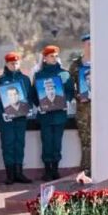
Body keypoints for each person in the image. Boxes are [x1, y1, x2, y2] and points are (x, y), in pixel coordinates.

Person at [0, 52, 33, 185]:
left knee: (19, 144)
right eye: (11, 63)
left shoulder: (25, 79)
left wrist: (29, 108)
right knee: (8, 144)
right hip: (6, 119)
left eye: (16, 63)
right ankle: (10, 175)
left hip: (20, 118)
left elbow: (30, 96)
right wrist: (2, 112)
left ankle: (19, 172)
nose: (14, 65)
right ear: (6, 64)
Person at [32, 46, 74, 181]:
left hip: (59, 115)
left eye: (56, 56)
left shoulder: (64, 74)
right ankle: (47, 169)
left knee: (57, 142)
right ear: (45, 58)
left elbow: (70, 91)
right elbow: (34, 94)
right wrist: (39, 105)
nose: (54, 58)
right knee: (47, 142)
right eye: (51, 56)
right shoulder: (39, 75)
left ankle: (55, 168)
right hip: (45, 116)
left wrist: (66, 101)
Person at [68, 34, 92, 174]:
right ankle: (86, 168)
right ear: (83, 45)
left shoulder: (102, 63)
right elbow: (70, 86)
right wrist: (78, 95)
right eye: (89, 44)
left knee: (99, 138)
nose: (91, 47)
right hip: (83, 108)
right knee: (85, 139)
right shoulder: (76, 65)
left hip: (99, 108)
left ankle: (99, 167)